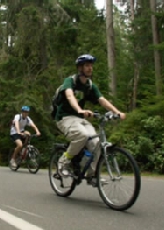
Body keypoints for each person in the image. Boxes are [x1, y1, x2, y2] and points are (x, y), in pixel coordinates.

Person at [54, 54, 126, 186]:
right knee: (83, 135)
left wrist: (117, 112)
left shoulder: (90, 85)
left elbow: (102, 100)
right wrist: (79, 109)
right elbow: (70, 96)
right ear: (80, 68)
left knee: (97, 142)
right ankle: (62, 163)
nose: (90, 68)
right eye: (87, 65)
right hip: (65, 118)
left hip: (80, 119)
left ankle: (91, 175)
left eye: (91, 65)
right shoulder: (70, 81)